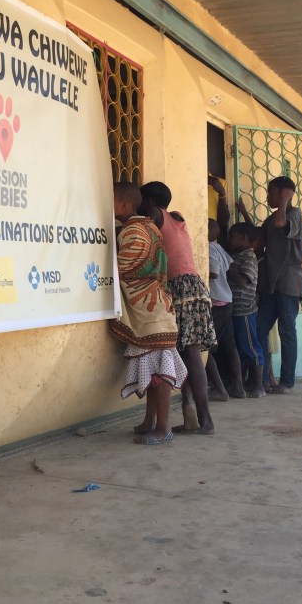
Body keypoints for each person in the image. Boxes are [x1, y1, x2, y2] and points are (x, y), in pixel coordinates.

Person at [110, 182, 187, 445]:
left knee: (159, 374)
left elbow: (124, 268)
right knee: (154, 372)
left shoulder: (133, 231)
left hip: (150, 312)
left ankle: (163, 428)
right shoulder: (149, 226)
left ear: (124, 204)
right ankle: (150, 421)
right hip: (157, 309)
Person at [138, 181, 217, 435]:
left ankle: (205, 421)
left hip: (179, 288)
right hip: (194, 287)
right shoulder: (177, 218)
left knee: (190, 354)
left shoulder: (156, 215)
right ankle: (193, 417)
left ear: (149, 202)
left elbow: (144, 231)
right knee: (186, 354)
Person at [255, 176, 302, 394]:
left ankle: (287, 381)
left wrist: (286, 199)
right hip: (271, 284)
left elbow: (280, 224)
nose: (268, 196)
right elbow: (260, 237)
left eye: (272, 192)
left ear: (285, 194)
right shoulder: (272, 217)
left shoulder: (293, 215)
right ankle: (264, 379)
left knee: (287, 332)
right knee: (259, 330)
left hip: (288, 283)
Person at [207, 218, 245, 400]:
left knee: (205, 347)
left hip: (215, 303)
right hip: (226, 300)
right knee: (229, 346)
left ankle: (219, 389)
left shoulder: (207, 248)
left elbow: (213, 272)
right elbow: (229, 268)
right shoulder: (219, 248)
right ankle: (238, 386)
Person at [227, 222, 265, 398]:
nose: (230, 240)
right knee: (242, 348)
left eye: (232, 236)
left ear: (243, 238)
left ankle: (259, 386)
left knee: (251, 347)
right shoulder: (239, 255)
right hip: (236, 309)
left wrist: (229, 268)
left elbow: (243, 281)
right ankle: (241, 384)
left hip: (245, 310)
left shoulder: (248, 256)